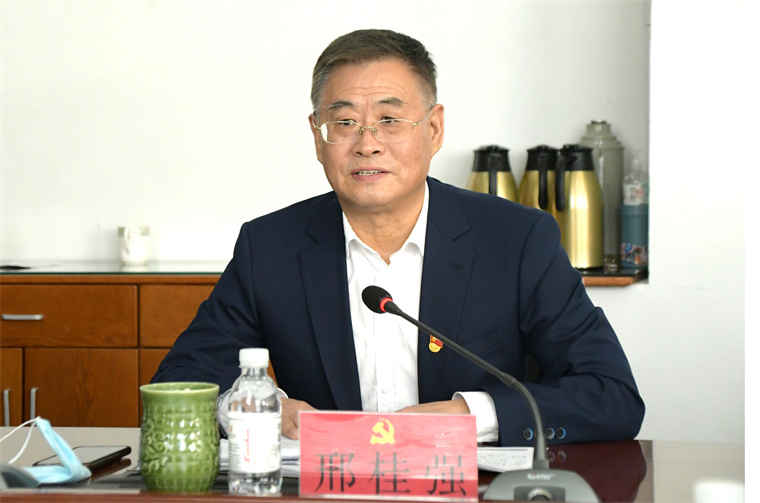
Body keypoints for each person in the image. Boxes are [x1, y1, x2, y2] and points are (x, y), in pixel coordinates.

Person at [152, 29, 645, 446]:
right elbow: (180, 382)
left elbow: (610, 395)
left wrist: (468, 416)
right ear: (318, 136)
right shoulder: (271, 247)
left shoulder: (516, 241)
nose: (367, 143)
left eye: (389, 120)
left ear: (434, 129)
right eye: (344, 122)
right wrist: (266, 408)